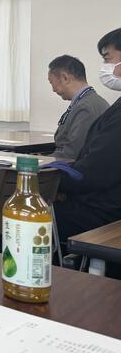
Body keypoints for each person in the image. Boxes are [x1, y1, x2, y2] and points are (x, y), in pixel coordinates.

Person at [51, 28, 121, 241]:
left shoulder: (91, 107)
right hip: (106, 202)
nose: (105, 67)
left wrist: (47, 180)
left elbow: (91, 173)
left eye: (107, 59)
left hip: (101, 211)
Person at [47, 55, 109, 161]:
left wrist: (41, 160)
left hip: (73, 167)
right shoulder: (88, 101)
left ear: (64, 78)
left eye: (51, 82)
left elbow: (72, 153)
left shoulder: (86, 108)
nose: (53, 89)